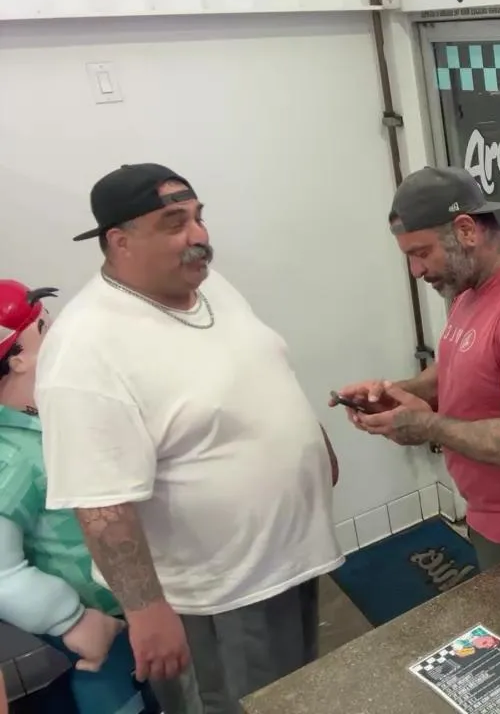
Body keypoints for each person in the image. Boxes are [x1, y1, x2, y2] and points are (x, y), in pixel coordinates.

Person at [35, 164, 344, 714]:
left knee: (293, 695)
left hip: (285, 559)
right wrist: (147, 611)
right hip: (215, 596)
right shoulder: (85, 347)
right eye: (175, 223)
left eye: (199, 217)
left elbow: (262, 371)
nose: (198, 235)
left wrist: (315, 449)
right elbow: (101, 503)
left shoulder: (206, 285)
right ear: (120, 241)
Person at [334, 166, 500, 571]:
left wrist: (426, 426)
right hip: (487, 515)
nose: (416, 271)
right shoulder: (471, 289)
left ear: (466, 230)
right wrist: (397, 393)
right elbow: (460, 366)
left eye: (422, 253)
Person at [0, 280, 157, 714]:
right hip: (94, 607)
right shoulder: (9, 457)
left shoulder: (45, 414)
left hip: (124, 584)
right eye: (45, 330)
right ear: (18, 358)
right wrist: (70, 619)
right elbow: (1, 573)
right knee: (111, 674)